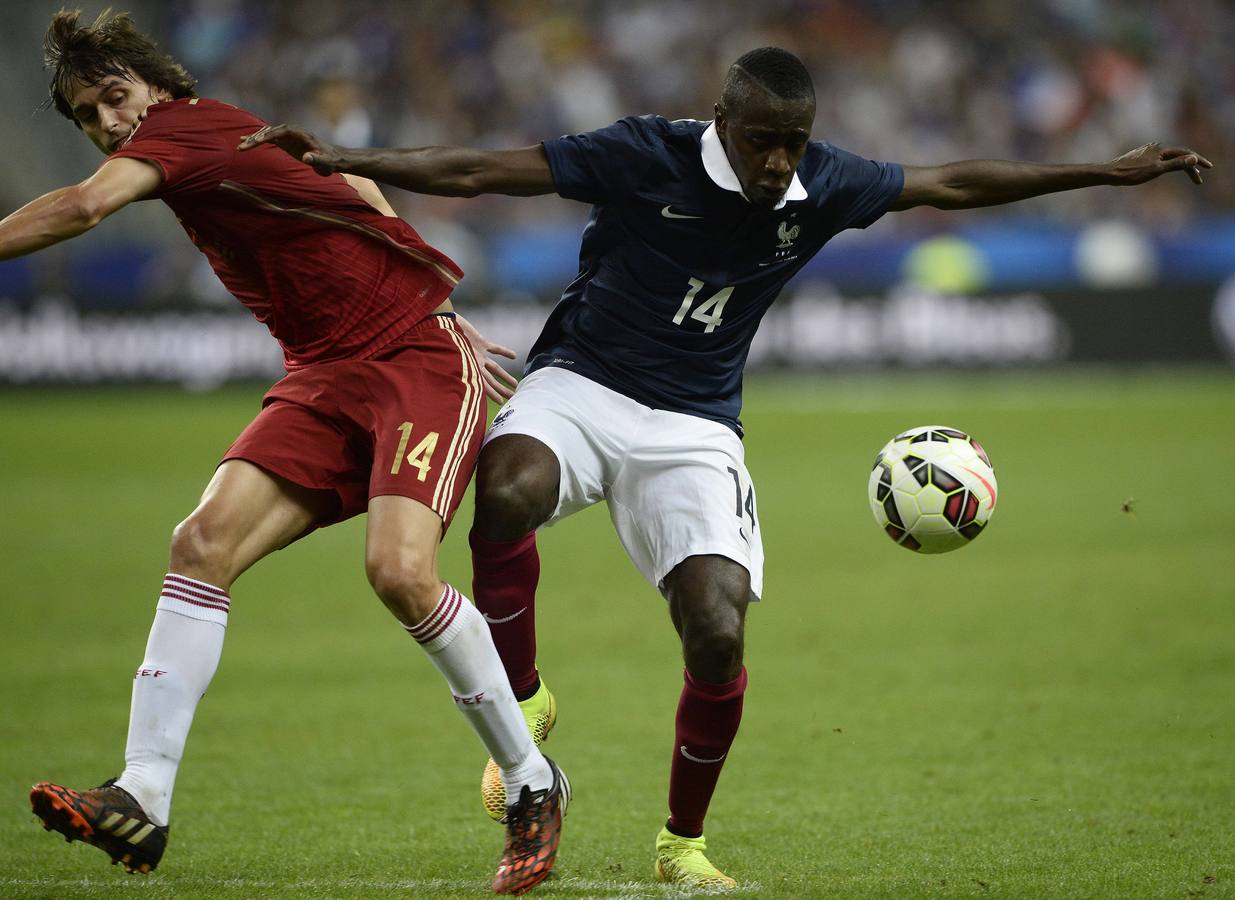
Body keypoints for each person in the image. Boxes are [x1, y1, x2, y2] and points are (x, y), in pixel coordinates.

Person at [243, 46, 1212, 890]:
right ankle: (525, 693)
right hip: (581, 380)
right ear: (723, 121)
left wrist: (1105, 171)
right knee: (506, 485)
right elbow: (489, 170)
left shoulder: (822, 183)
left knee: (714, 629)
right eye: (761, 141)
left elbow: (949, 183)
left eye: (793, 140)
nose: (777, 160)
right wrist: (348, 159)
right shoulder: (643, 153)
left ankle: (681, 847)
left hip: (696, 426)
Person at [5, 11, 568, 895]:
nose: (109, 124)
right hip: (324, 373)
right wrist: (426, 278)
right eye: (87, 114)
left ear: (160, 89)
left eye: (115, 98)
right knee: (200, 545)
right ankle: (142, 797)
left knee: (399, 573)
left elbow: (80, 207)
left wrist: (438, 315)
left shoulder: (181, 129)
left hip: (412, 359)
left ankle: (532, 779)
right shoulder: (206, 139)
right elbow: (354, 190)